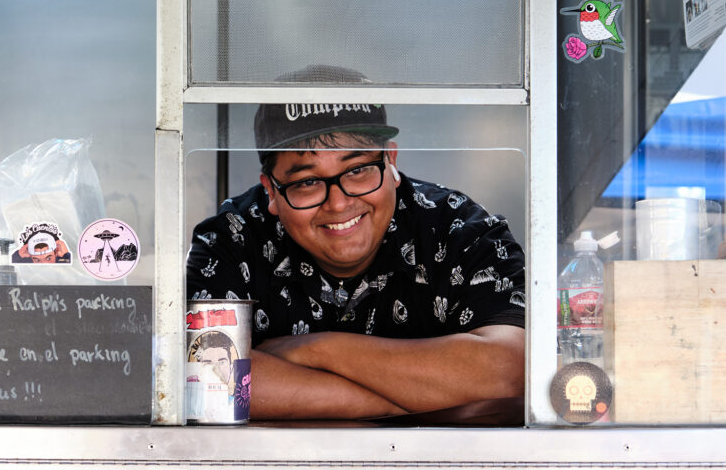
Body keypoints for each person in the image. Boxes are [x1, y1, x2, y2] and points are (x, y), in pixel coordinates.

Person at [185, 67, 526, 420]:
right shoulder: (231, 237)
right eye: (307, 182)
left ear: (390, 161)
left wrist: (317, 350)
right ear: (271, 190)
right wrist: (417, 401)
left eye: (357, 170)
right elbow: (208, 379)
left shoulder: (461, 231)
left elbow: (510, 371)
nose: (338, 203)